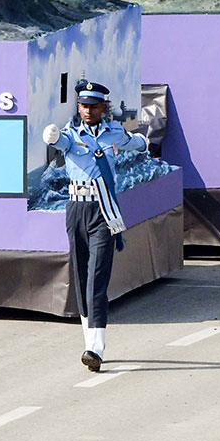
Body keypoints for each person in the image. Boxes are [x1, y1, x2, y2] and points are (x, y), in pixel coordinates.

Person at [44, 79, 146, 372]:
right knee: (80, 272)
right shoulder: (71, 134)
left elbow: (133, 143)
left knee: (97, 277)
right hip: (77, 208)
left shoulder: (113, 132)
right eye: (83, 106)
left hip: (103, 211)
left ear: (104, 107)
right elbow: (60, 142)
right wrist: (51, 138)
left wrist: (141, 142)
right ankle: (89, 339)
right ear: (78, 108)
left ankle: (96, 346)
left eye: (93, 106)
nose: (88, 110)